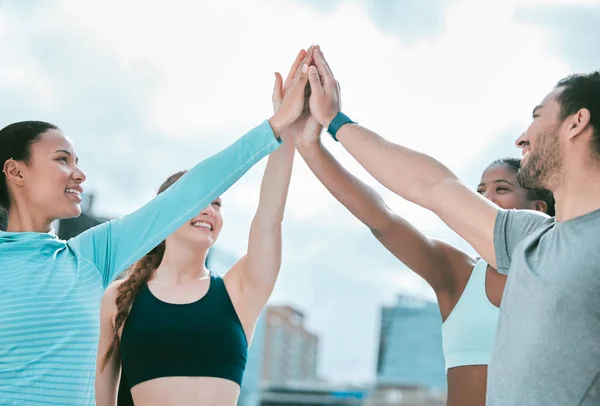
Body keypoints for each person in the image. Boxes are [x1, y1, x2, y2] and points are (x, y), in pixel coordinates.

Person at [0, 47, 312, 406]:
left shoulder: (90, 256)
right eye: (61, 160)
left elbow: (190, 193)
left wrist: (276, 126)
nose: (79, 173)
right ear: (16, 171)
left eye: (78, 161)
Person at [306, 46, 600, 406]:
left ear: (576, 123)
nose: (522, 138)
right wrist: (334, 121)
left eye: (538, 117)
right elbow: (431, 185)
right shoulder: (527, 239)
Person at [295, 100, 554, 405]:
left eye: (501, 189)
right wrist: (310, 146)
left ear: (539, 209)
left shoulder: (565, 268)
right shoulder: (458, 274)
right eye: (480, 192)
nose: (486, 200)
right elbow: (381, 218)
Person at [95, 48, 310, 406]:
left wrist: (285, 124)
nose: (209, 209)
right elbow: (102, 400)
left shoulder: (240, 290)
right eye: (198, 199)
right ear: (164, 214)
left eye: (218, 203)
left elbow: (270, 217)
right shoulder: (118, 299)